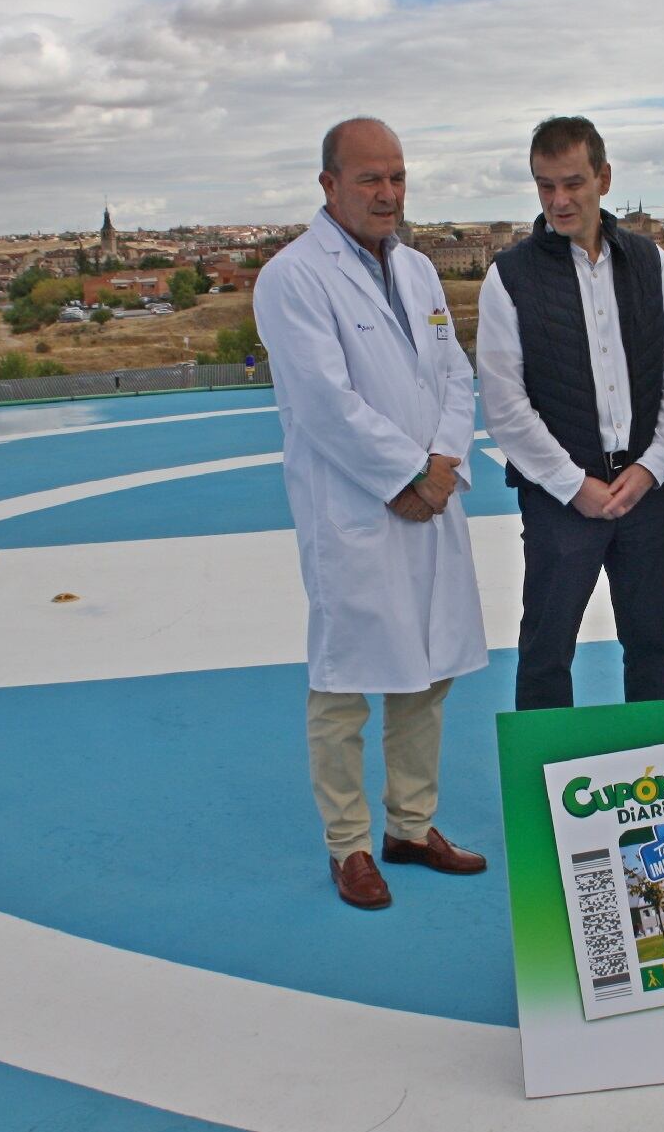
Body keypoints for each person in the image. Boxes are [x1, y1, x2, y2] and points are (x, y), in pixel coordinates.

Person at [253, 117, 489, 910]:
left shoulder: (419, 271)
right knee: (345, 680)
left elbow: (455, 372)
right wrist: (407, 474)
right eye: (369, 179)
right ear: (329, 185)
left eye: (397, 177)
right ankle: (349, 842)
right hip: (356, 507)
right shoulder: (292, 278)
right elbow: (325, 402)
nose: (387, 193)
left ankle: (412, 825)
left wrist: (445, 460)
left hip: (431, 494)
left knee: (427, 674)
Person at [477, 116, 664, 711]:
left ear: (603, 178)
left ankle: (655, 788)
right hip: (559, 501)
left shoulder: (651, 263)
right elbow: (504, 404)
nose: (559, 200)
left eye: (573, 183)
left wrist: (652, 467)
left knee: (653, 648)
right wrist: (573, 485)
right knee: (547, 653)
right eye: (545, 186)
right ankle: (543, 789)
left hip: (646, 492)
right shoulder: (509, 278)